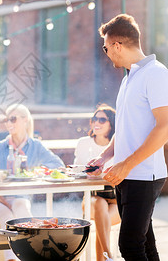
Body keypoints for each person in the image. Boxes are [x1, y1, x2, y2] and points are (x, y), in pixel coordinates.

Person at [89, 14, 168, 261]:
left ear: (117, 45)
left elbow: (167, 127)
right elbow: (127, 128)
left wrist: (126, 164)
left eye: (106, 48)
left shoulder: (157, 75)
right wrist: (105, 156)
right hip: (127, 175)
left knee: (129, 245)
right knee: (145, 246)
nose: (106, 53)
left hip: (144, 175)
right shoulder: (131, 77)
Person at [0, 103, 64, 261]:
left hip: (19, 196)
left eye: (13, 119)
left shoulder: (35, 146)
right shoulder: (0, 148)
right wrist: (2, 198)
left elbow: (58, 165)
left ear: (25, 120)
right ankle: (11, 259)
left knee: (23, 212)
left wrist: (38, 171)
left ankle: (30, 255)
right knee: (7, 215)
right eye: (7, 119)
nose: (8, 123)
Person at [74, 104, 120, 261]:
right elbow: (77, 171)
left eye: (102, 119)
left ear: (111, 124)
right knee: (100, 205)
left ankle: (105, 258)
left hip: (115, 200)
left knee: (104, 219)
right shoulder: (83, 143)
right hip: (91, 199)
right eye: (94, 119)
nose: (96, 123)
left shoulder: (118, 145)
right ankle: (108, 256)